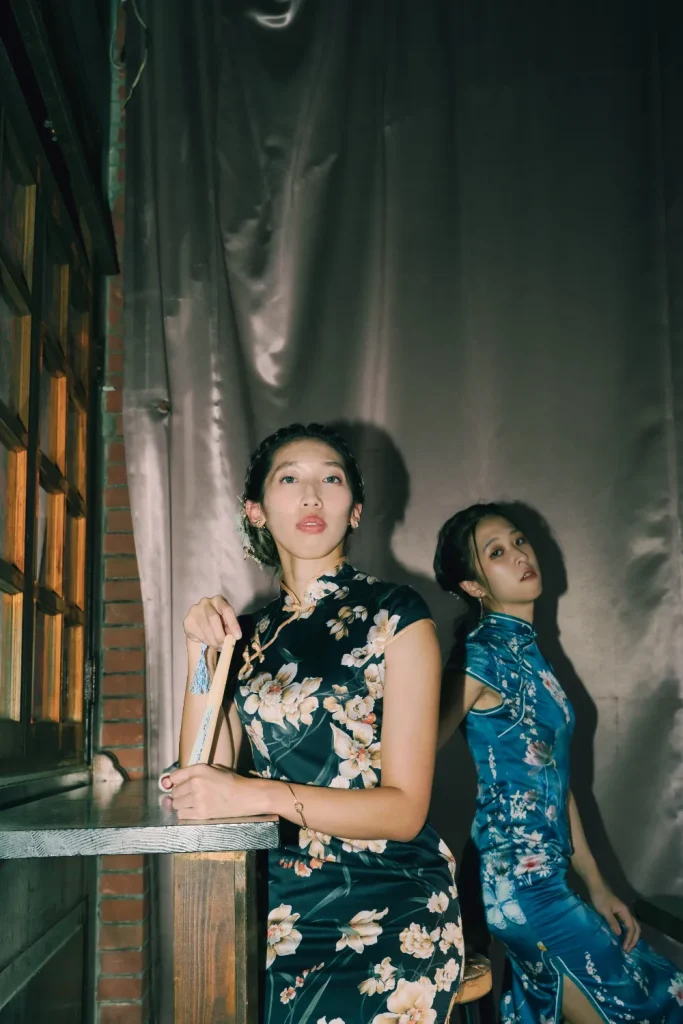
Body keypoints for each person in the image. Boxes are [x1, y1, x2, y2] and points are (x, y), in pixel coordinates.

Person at [167, 423, 465, 1024]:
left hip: (391, 902)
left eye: (330, 479)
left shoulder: (397, 614)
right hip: (274, 904)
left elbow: (405, 810)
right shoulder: (244, 634)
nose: (311, 495)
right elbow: (201, 776)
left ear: (354, 510)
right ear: (255, 509)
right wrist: (202, 657)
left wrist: (252, 793)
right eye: (289, 479)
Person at [433, 502, 683, 1024]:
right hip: (520, 886)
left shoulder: (531, 653)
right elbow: (416, 750)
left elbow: (557, 781)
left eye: (519, 541)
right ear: (475, 586)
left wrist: (596, 885)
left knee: (662, 991)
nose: (521, 555)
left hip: (548, 880)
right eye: (497, 553)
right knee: (646, 1009)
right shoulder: (482, 656)